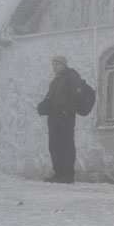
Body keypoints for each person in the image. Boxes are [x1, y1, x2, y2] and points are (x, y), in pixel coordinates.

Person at [36, 55, 82, 183]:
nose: (55, 67)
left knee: (66, 144)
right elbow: (51, 98)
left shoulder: (71, 75)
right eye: (53, 64)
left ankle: (67, 175)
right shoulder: (56, 80)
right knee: (54, 145)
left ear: (64, 65)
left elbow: (77, 95)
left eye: (58, 64)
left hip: (66, 116)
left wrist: (67, 110)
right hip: (54, 116)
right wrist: (43, 106)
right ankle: (58, 173)